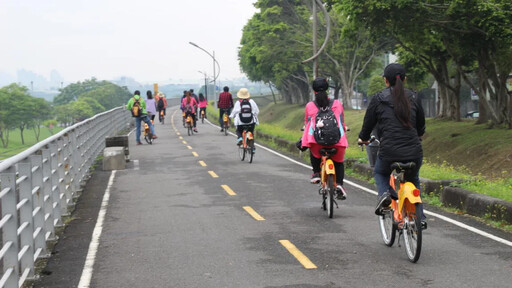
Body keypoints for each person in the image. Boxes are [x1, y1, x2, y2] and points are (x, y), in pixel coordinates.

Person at [357, 63, 427, 229]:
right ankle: (421, 217)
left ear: (385, 81)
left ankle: (385, 194)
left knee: (380, 172)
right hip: (414, 151)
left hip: (389, 152)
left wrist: (363, 138)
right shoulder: (415, 97)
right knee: (413, 178)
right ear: (404, 79)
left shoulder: (378, 98)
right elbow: (421, 126)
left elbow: (368, 125)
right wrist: (417, 135)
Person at [300, 77, 348, 200]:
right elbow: (341, 122)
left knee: (313, 149)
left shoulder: (310, 106)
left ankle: (316, 172)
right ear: (327, 89)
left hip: (318, 143)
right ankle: (340, 185)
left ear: (314, 90)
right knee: (339, 163)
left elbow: (307, 124)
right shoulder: (337, 104)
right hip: (337, 142)